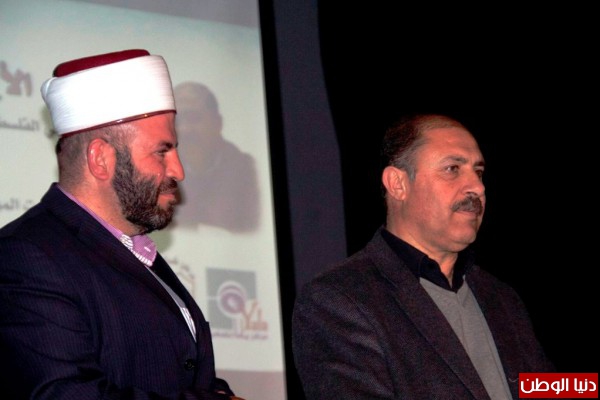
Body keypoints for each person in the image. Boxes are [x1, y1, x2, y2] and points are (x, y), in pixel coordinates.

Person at [0, 49, 243, 400]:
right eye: (162, 151)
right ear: (100, 159)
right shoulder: (25, 258)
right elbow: (65, 395)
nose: (178, 171)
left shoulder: (133, 250)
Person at [292, 113, 555, 399]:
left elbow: (544, 387)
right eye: (453, 169)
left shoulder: (501, 298)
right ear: (398, 184)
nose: (478, 187)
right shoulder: (340, 299)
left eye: (478, 172)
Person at [173, 81, 259, 233]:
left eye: (193, 118)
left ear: (217, 123)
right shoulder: (160, 174)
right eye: (177, 121)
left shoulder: (249, 173)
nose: (184, 129)